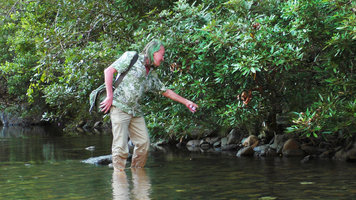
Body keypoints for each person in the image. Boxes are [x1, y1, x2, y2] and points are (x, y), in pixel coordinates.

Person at [100, 39, 198, 172]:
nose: (163, 59)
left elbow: (165, 91)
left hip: (135, 111)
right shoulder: (131, 57)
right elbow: (109, 71)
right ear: (153, 52)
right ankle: (119, 182)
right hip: (120, 107)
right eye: (162, 55)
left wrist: (186, 102)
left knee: (144, 145)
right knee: (121, 149)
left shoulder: (151, 73)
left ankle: (138, 175)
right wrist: (109, 96)